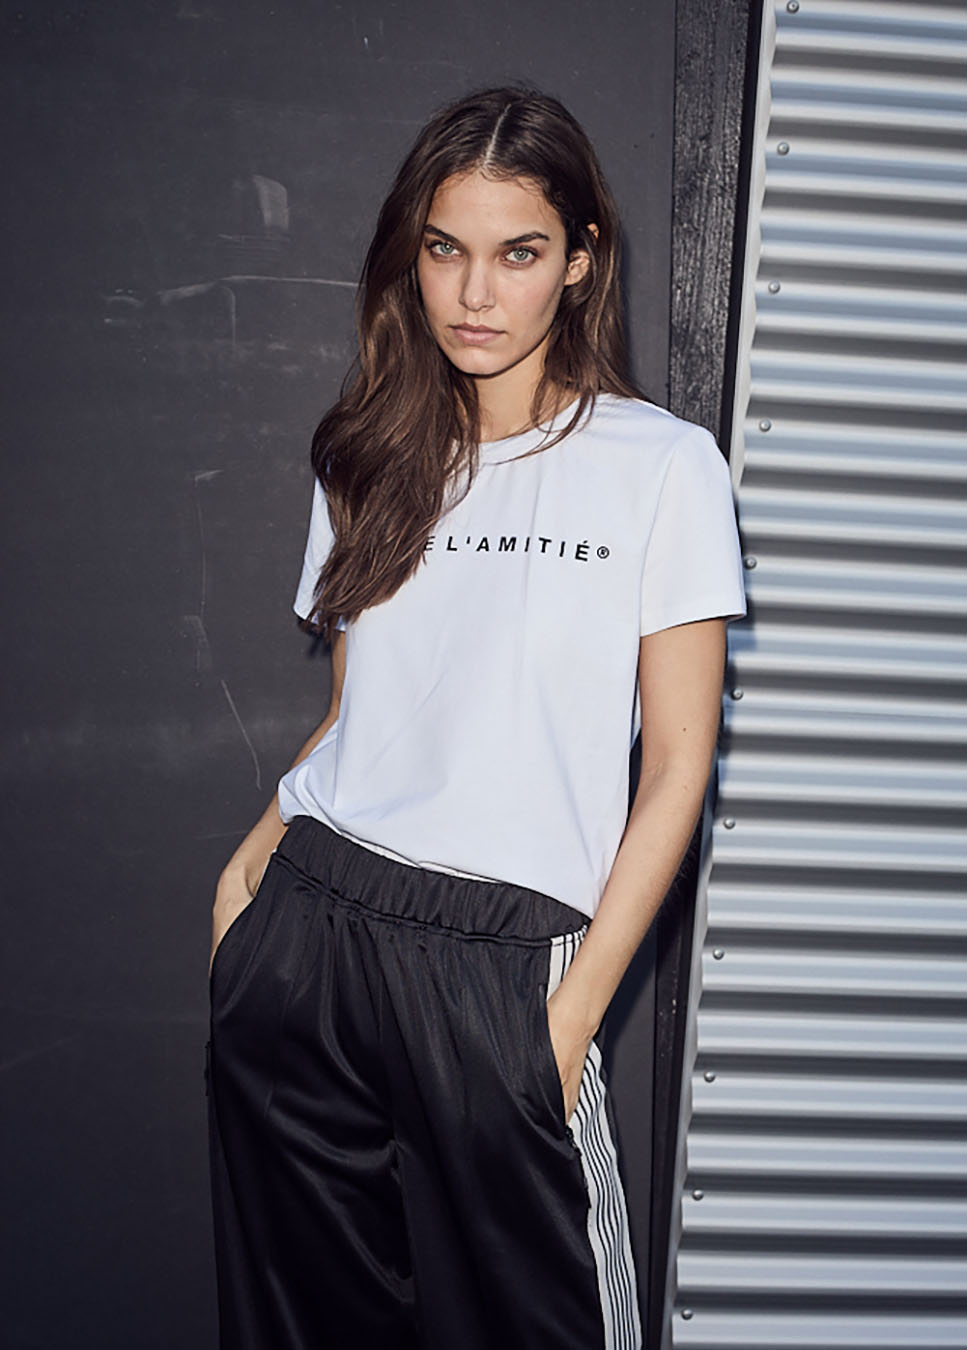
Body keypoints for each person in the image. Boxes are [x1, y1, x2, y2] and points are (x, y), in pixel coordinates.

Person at [207, 86, 746, 1350]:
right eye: (446, 248)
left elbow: (676, 767)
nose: (473, 293)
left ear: (580, 262)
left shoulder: (662, 467)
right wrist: (247, 884)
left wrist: (570, 1015)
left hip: (505, 966)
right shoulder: (367, 453)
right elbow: (358, 715)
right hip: (311, 931)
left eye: (518, 253)